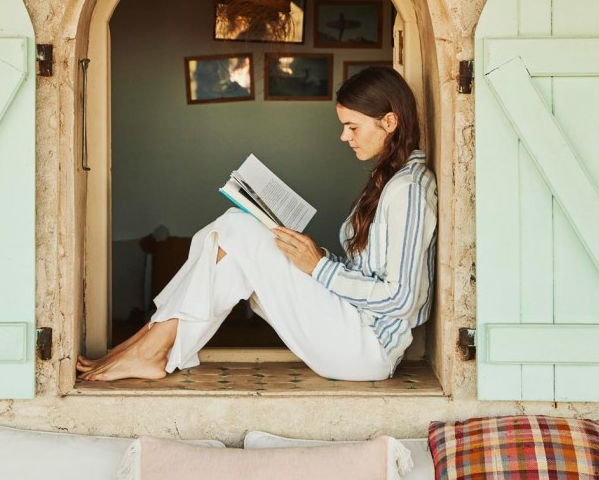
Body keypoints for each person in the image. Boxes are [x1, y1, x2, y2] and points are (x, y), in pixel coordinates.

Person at [77, 67, 438, 382]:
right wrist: (312, 256)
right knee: (236, 237)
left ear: (389, 122)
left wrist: (318, 267)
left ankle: (149, 346)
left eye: (352, 126)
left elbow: (404, 299)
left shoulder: (408, 190)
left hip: (367, 347)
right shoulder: (390, 182)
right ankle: (148, 344)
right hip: (352, 328)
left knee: (240, 229)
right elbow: (368, 272)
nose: (344, 137)